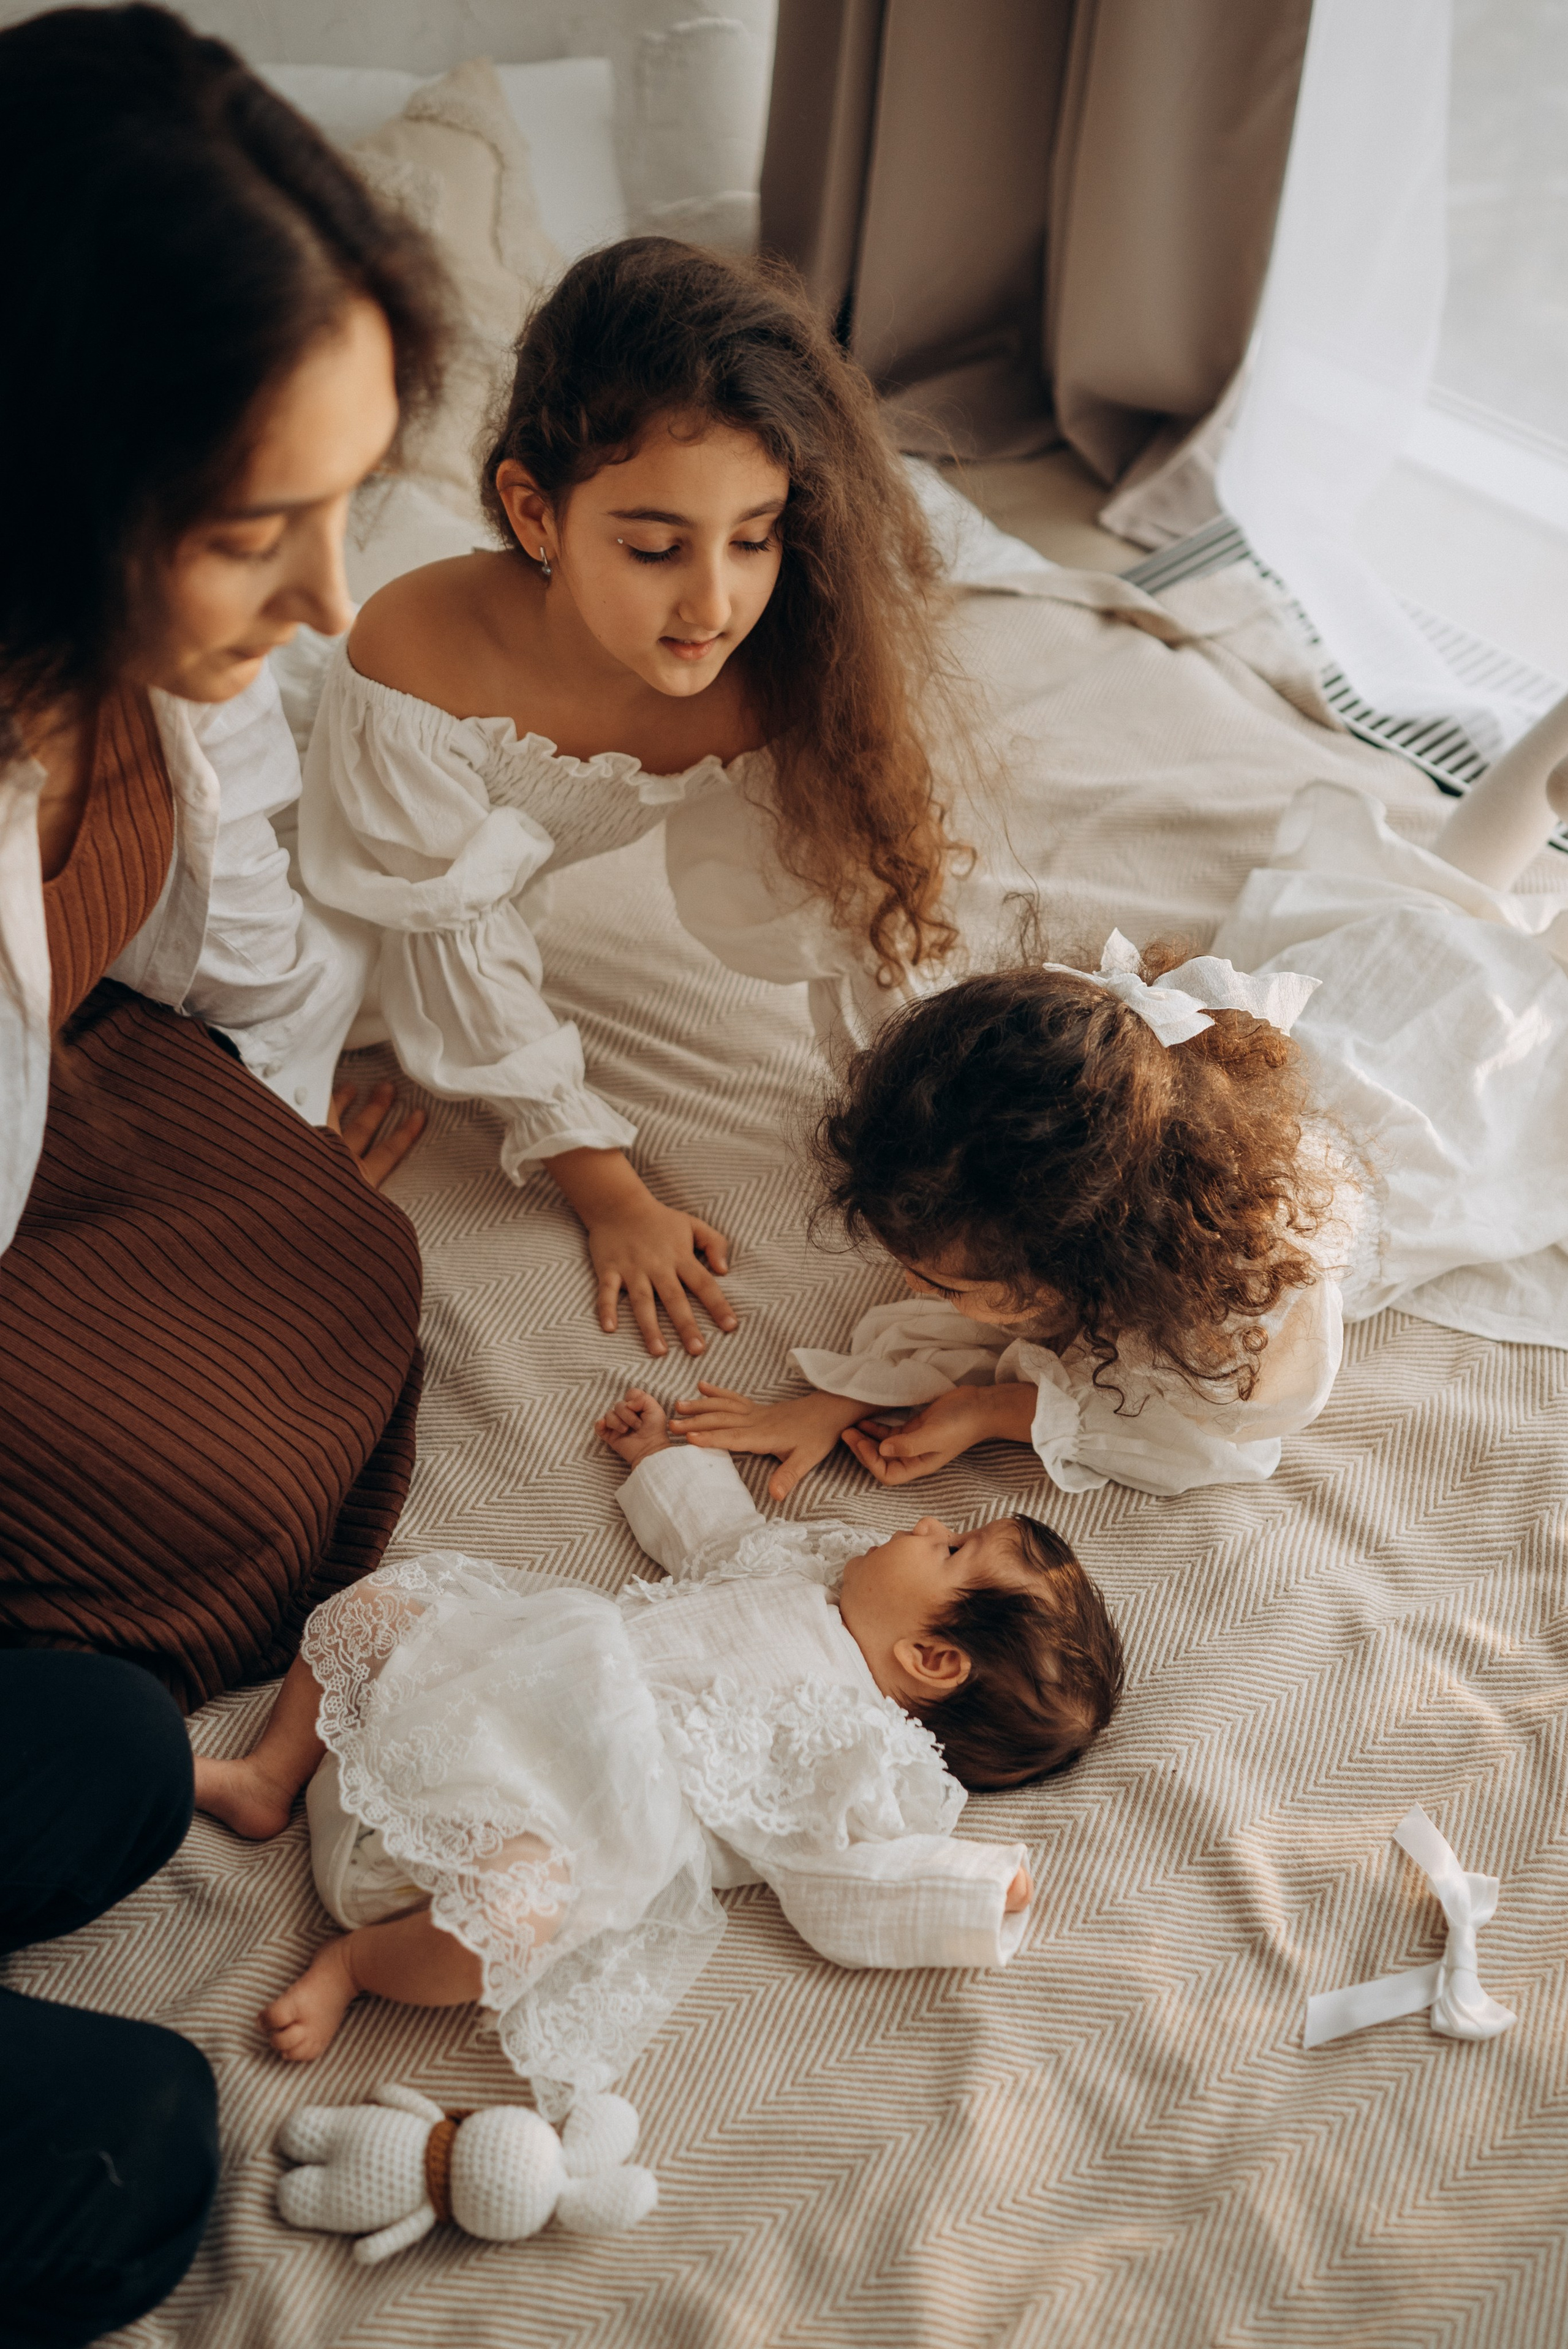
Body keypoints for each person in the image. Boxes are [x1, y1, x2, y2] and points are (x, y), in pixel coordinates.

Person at [0, 6, 450, 2334]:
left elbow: (211, 929)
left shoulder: (85, 687)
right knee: (130, 2151)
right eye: (260, 531)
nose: (337, 599)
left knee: (89, 1737)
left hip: (46, 1119)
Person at [301, 236, 968, 1363]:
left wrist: (942, 1112)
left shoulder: (765, 671)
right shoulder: (419, 655)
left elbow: (839, 908)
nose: (714, 602)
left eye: (755, 538)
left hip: (456, 908)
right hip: (307, 886)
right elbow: (449, 949)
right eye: (656, 546)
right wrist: (611, 1193)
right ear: (535, 514)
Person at [669, 723, 1568, 1500]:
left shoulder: (1238, 1314)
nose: (914, 1293)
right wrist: (840, 1400)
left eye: (944, 1286)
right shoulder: (1088, 1145)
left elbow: (1212, 1446)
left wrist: (993, 1413)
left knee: (1527, 969)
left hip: (1465, 1110)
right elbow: (980, 1319)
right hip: (1375, 1006)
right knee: (1444, 898)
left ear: (1092, 1258)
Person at [194, 1388, 1123, 2112]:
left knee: (524, 1910)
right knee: (385, 1604)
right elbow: (720, 1542)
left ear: (932, 1659)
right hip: (450, 1718)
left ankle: (355, 1967)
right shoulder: (800, 1572)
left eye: (953, 1549)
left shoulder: (860, 1753)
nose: (928, 1524)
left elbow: (850, 1876)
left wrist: (968, 1888)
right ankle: (269, 1777)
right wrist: (662, 1462)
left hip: (463, 1860)